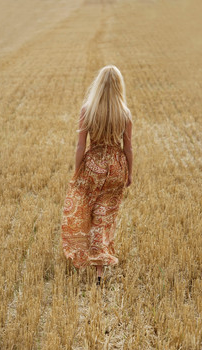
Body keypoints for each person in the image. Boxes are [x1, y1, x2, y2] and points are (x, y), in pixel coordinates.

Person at [61, 64, 133, 285]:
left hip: (93, 165)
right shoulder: (125, 113)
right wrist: (129, 173)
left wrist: (77, 171)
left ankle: (83, 254)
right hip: (116, 167)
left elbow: (80, 146)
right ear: (119, 86)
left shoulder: (87, 110)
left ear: (98, 85)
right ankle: (100, 269)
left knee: (85, 211)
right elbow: (128, 148)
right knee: (103, 217)